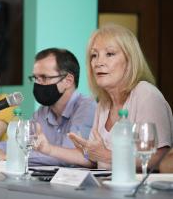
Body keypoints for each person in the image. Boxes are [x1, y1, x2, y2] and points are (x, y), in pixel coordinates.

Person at [35, 24, 173, 170]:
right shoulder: (104, 103)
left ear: (130, 60)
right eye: (94, 55)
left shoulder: (145, 94)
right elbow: (93, 160)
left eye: (110, 54)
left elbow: (158, 157)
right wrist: (48, 149)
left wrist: (106, 155)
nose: (98, 63)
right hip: (104, 189)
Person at [0, 48, 97, 166]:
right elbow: (21, 143)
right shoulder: (43, 111)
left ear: (68, 80)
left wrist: (8, 157)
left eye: (44, 77)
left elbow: (68, 157)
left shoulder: (87, 107)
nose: (38, 84)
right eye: (35, 78)